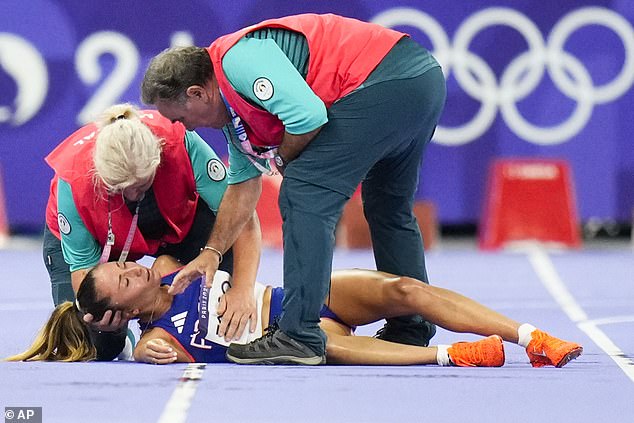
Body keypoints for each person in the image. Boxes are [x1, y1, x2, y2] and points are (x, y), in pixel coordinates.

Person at [140, 13, 446, 364]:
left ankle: (298, 332)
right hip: (420, 79)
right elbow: (242, 188)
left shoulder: (237, 62)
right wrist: (211, 251)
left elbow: (308, 116)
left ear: (197, 93)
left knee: (303, 191)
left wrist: (282, 162)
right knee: (386, 206)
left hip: (386, 80)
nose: (186, 129)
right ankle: (410, 329)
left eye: (179, 118)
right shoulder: (233, 117)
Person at [7, 256, 583, 368]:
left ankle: (530, 335)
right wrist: (134, 346)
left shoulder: (168, 263)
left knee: (404, 288)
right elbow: (144, 355)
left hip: (300, 296)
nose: (133, 269)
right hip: (293, 336)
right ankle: (453, 356)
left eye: (125, 264)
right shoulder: (155, 342)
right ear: (121, 312)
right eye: (122, 280)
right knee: (322, 346)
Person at [42, 103, 261, 360]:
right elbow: (85, 276)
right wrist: (111, 328)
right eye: (123, 189)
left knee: (221, 297)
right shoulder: (74, 181)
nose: (135, 195)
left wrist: (241, 290)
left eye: (142, 183)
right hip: (98, 234)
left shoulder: (181, 142)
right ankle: (121, 342)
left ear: (158, 157)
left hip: (175, 217)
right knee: (94, 344)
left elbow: (243, 218)